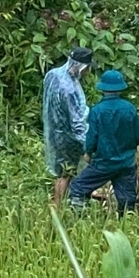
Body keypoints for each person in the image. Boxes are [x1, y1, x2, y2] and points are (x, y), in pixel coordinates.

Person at [69, 70, 139, 216]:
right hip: (126, 162)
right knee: (127, 198)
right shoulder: (129, 108)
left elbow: (92, 137)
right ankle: (127, 222)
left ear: (102, 89)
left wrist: (88, 153)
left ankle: (80, 219)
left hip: (104, 162)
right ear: (121, 88)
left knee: (78, 187)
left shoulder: (97, 111)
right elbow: (138, 136)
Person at [43, 47, 92, 206]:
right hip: (68, 136)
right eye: (87, 68)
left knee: (61, 171)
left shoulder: (53, 74)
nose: (88, 72)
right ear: (81, 67)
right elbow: (77, 122)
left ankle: (59, 205)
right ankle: (58, 208)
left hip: (54, 130)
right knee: (66, 173)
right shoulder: (70, 89)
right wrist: (87, 145)